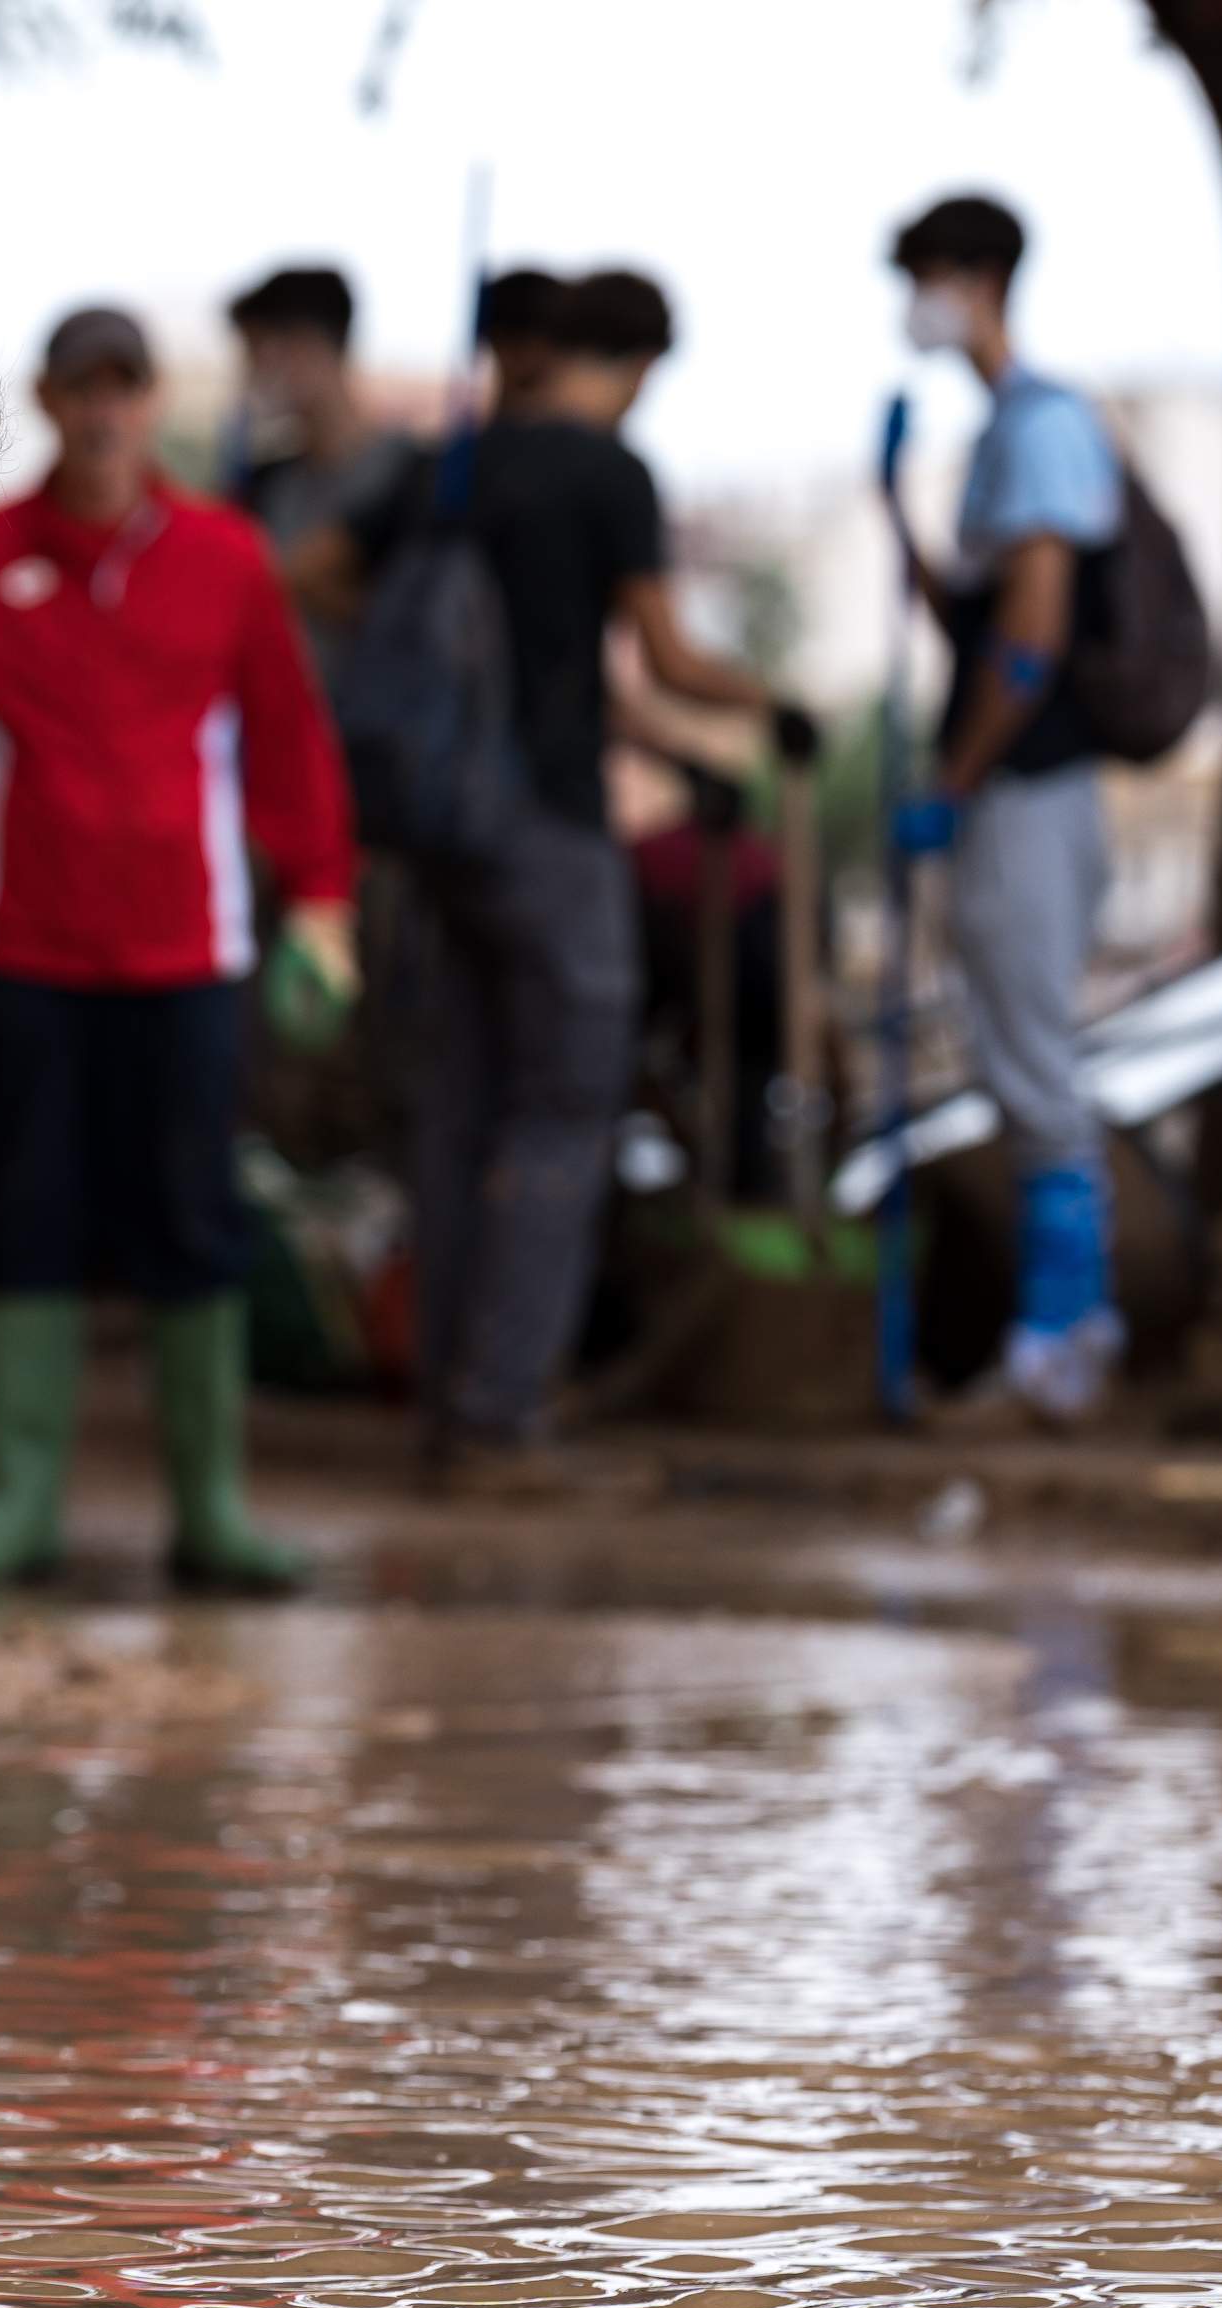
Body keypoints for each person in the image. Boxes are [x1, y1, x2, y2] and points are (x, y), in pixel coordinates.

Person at [0, 305, 356, 1594]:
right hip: (19, 948)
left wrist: (321, 906)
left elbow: (293, 745)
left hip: (189, 950)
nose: (103, 409)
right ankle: (21, 1500)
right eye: (82, 386)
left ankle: (212, 1507)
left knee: (194, 1218)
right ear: (51, 397)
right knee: (29, 1216)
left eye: (124, 385)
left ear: (148, 399)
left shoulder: (225, 557)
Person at [368, 266, 812, 1481]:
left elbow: (320, 579)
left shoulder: (445, 469)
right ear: (642, 363)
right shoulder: (606, 474)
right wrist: (773, 705)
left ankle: (441, 1411)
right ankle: (504, 1416)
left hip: (437, 833)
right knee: (563, 1112)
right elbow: (663, 658)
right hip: (553, 833)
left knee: (461, 1116)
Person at [889, 192, 1123, 1426]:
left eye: (925, 280)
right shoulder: (1000, 436)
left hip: (1028, 793)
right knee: (1014, 1056)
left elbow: (1030, 634)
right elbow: (981, 616)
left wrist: (958, 775)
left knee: (1037, 1067)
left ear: (975, 279)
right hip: (1006, 794)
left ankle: (1064, 1346)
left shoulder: (1042, 427)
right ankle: (1056, 1340)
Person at [226, 264, 428, 660]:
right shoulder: (269, 480)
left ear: (307, 347)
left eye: (257, 351)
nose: (251, 373)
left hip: (375, 716)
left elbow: (407, 621)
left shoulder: (411, 474)